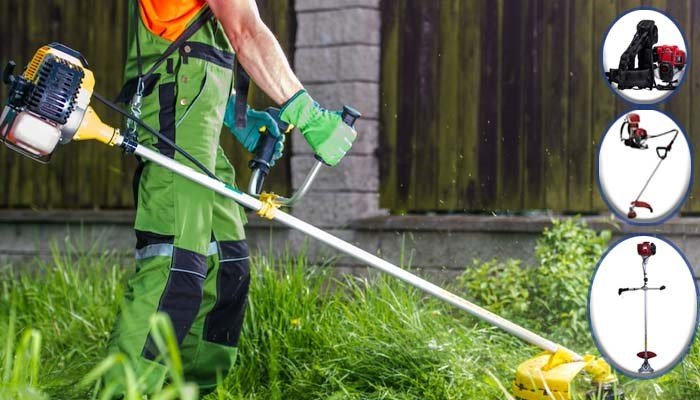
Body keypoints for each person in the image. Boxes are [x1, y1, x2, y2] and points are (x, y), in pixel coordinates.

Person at [106, 0, 357, 395]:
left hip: (195, 123)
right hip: (176, 117)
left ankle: (189, 389)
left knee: (226, 264)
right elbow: (246, 32)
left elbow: (188, 42)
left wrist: (234, 116)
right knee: (176, 267)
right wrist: (307, 115)